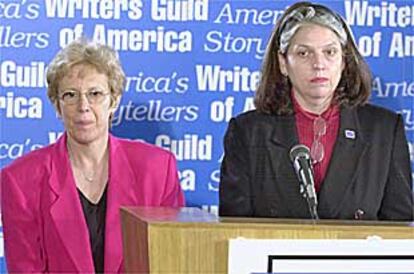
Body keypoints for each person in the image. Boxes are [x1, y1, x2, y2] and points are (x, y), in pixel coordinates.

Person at [1, 39, 185, 273]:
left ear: (114, 101)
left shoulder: (158, 170)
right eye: (70, 95)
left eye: (95, 93)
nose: (83, 106)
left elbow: (170, 262)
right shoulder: (20, 180)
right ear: (57, 105)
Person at [219, 2, 413, 221]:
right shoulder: (248, 132)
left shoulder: (384, 130)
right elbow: (234, 230)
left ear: (343, 61)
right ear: (283, 63)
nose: (318, 64)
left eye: (329, 52)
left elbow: (400, 228)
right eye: (303, 53)